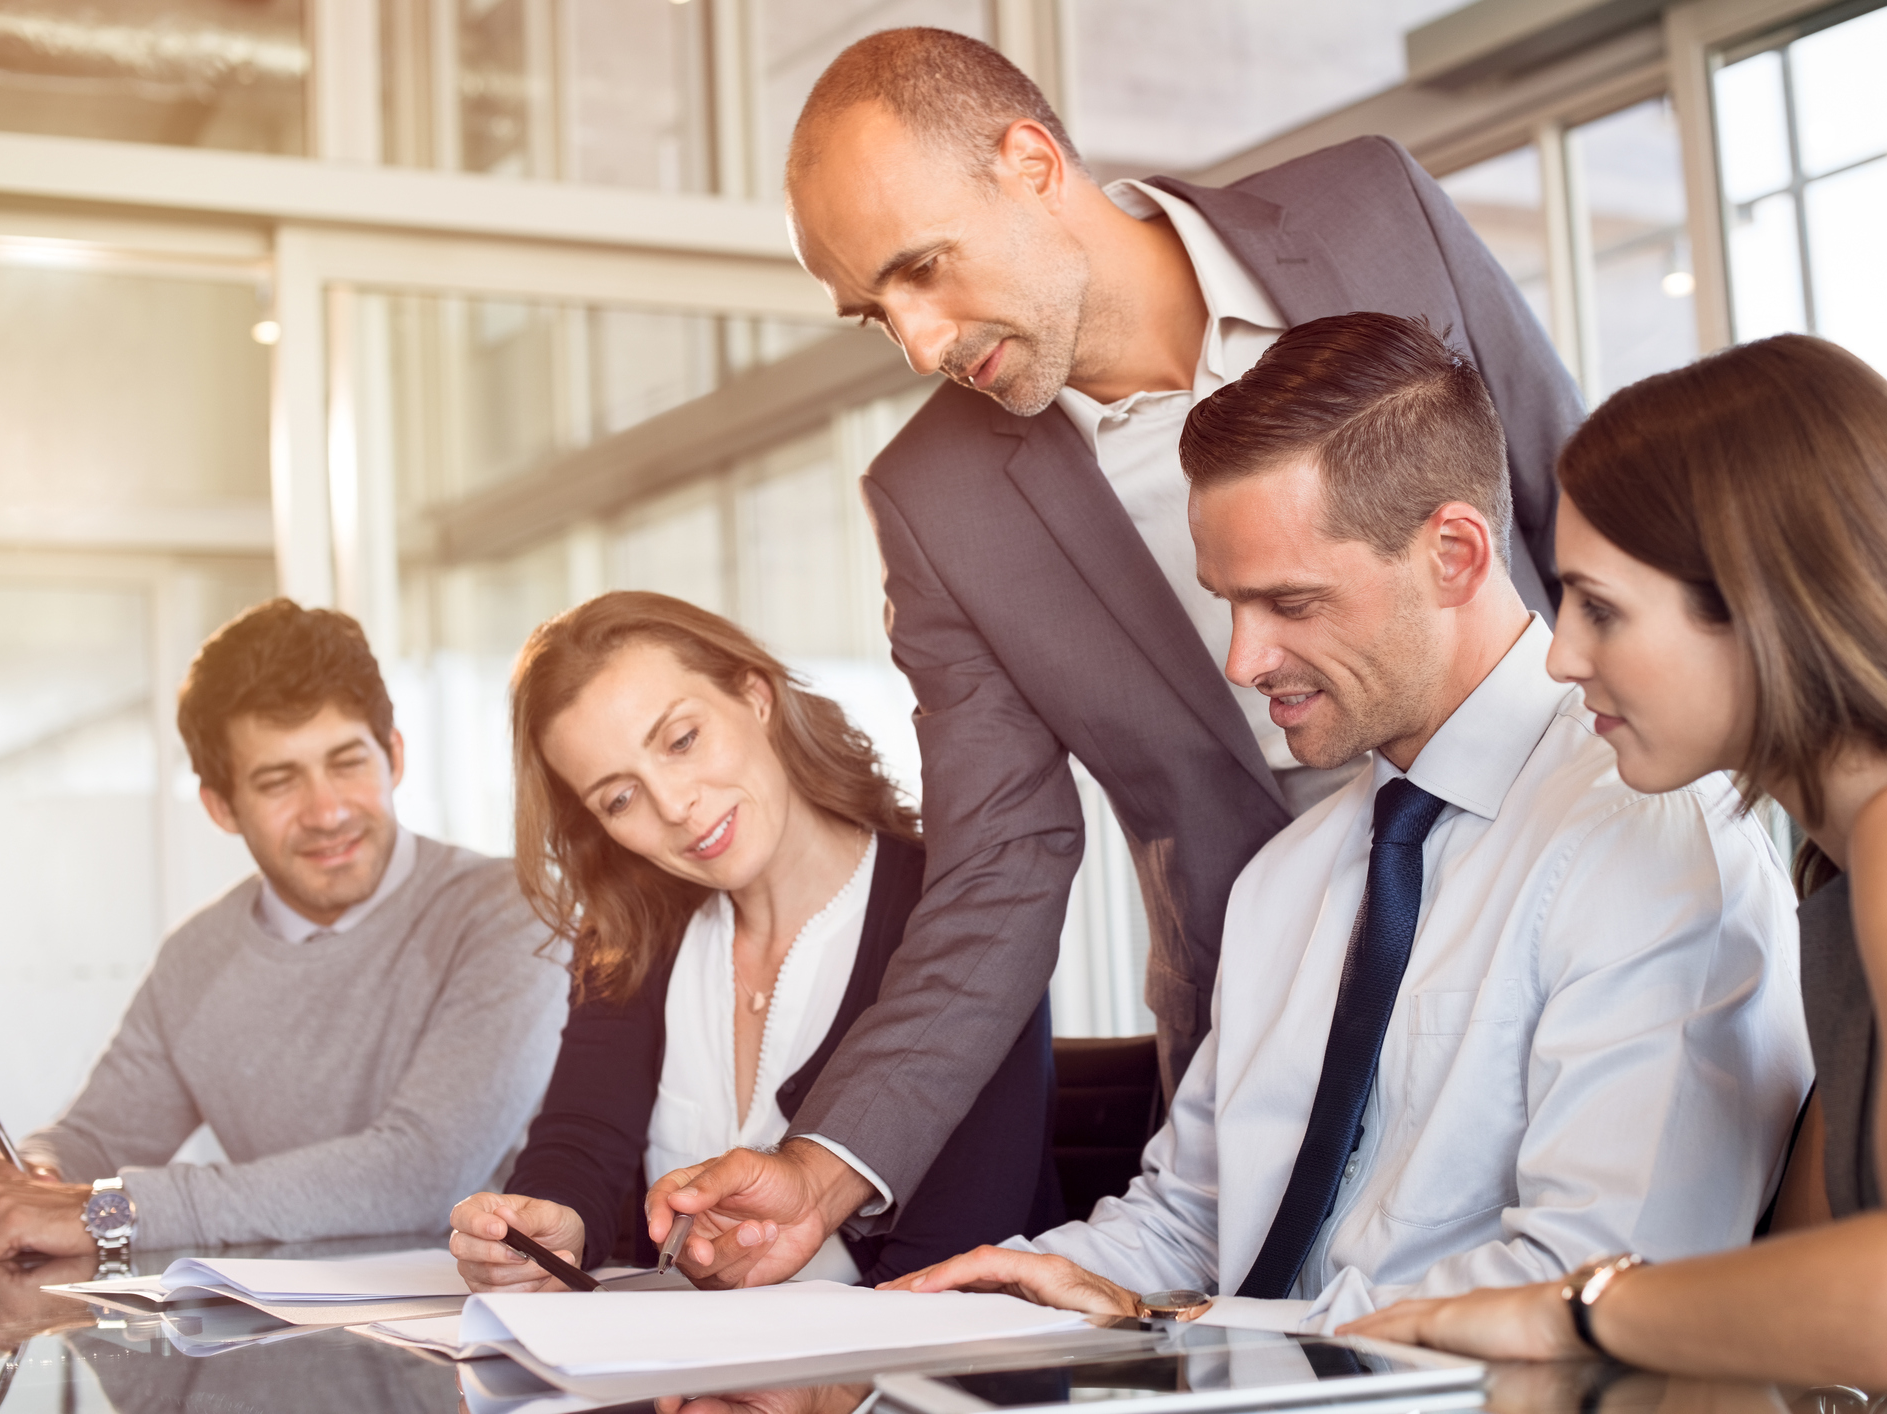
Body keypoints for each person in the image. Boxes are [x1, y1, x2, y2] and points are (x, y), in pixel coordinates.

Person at [653, 24, 1587, 1289]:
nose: (919, 342)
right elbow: (999, 863)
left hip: (1567, 880)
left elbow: (1577, 512)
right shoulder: (936, 498)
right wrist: (823, 1167)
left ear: (1032, 162)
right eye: (876, 311)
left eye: (921, 269)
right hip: (1272, 1009)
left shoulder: (1371, 211)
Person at [882, 313, 1810, 1318]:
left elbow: (1595, 1287)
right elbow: (1193, 1221)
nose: (1241, 661)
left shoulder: (1649, 840)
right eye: (1227, 603)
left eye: (1289, 602)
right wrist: (990, 1299)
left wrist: (1197, 1327)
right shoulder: (1286, 878)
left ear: (1453, 554)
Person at [1338, 335, 1887, 1398]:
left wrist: (1564, 1307)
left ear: (1767, 605)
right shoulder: (1851, 868)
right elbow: (1813, 1286)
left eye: (1599, 606)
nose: (1561, 656)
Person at [447, 593, 1058, 1290]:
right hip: (692, 1386)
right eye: (620, 797)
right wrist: (546, 1229)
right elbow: (580, 1138)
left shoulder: (965, 911)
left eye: (681, 740)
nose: (675, 806)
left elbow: (957, 1249)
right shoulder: (634, 930)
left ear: (755, 694)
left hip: (911, 1387)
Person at [0, 599, 567, 1261]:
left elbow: (423, 1172)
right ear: (220, 806)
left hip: (482, 1337)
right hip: (281, 1348)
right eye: (279, 781)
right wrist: (25, 1176)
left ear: (394, 757)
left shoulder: (513, 910)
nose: (326, 812)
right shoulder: (196, 959)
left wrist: (111, 1212)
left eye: (347, 763)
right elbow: (97, 1139)